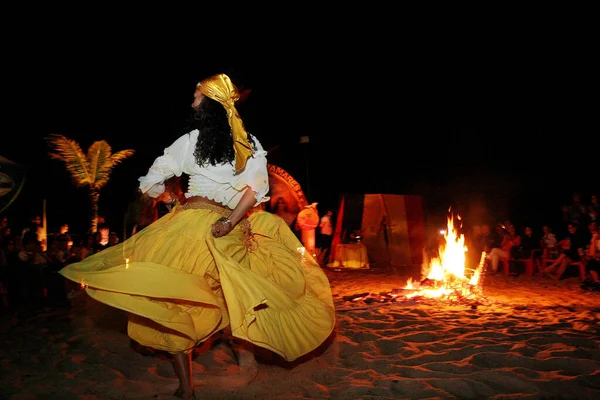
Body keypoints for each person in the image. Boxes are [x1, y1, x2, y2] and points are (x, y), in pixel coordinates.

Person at [59, 73, 336, 400]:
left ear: (209, 104)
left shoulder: (189, 141)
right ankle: (240, 352)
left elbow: (150, 181)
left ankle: (187, 388)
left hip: (190, 228)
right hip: (230, 229)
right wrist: (230, 222)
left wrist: (173, 199)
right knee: (233, 293)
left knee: (175, 301)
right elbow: (256, 191)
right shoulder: (249, 142)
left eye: (197, 94)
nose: (192, 99)